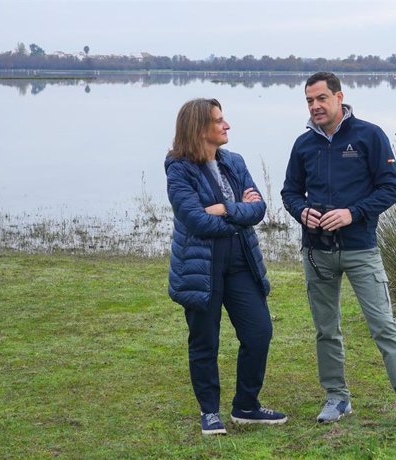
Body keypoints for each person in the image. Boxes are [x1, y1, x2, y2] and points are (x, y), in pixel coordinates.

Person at [281, 72, 396, 436]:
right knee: (326, 330)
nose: (315, 106)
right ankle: (337, 397)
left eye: (320, 98)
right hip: (317, 252)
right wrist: (301, 211)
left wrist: (352, 213)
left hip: (360, 249)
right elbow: (290, 192)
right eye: (309, 101)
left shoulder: (369, 135)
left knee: (384, 328)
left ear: (339, 97)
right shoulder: (302, 145)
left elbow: (392, 187)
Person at [165, 98, 287, 435]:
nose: (227, 125)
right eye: (219, 121)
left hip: (240, 261)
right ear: (200, 129)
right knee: (205, 340)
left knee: (259, 331)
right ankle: (209, 412)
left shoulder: (234, 161)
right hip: (201, 266)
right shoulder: (178, 168)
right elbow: (196, 221)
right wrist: (236, 213)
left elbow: (259, 208)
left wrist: (223, 209)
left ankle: (246, 406)